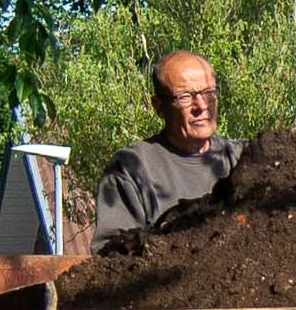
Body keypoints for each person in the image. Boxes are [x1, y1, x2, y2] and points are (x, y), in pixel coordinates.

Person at [91, 49, 239, 238]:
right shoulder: (131, 169)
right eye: (185, 97)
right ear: (159, 106)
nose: (202, 106)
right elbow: (112, 250)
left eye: (209, 93)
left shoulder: (243, 157)